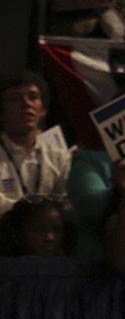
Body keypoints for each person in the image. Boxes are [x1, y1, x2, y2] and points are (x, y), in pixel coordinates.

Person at [0, 73, 72, 217]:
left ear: (42, 111)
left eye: (32, 97)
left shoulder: (59, 157)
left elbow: (68, 205)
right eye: (15, 98)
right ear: (1, 113)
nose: (26, 103)